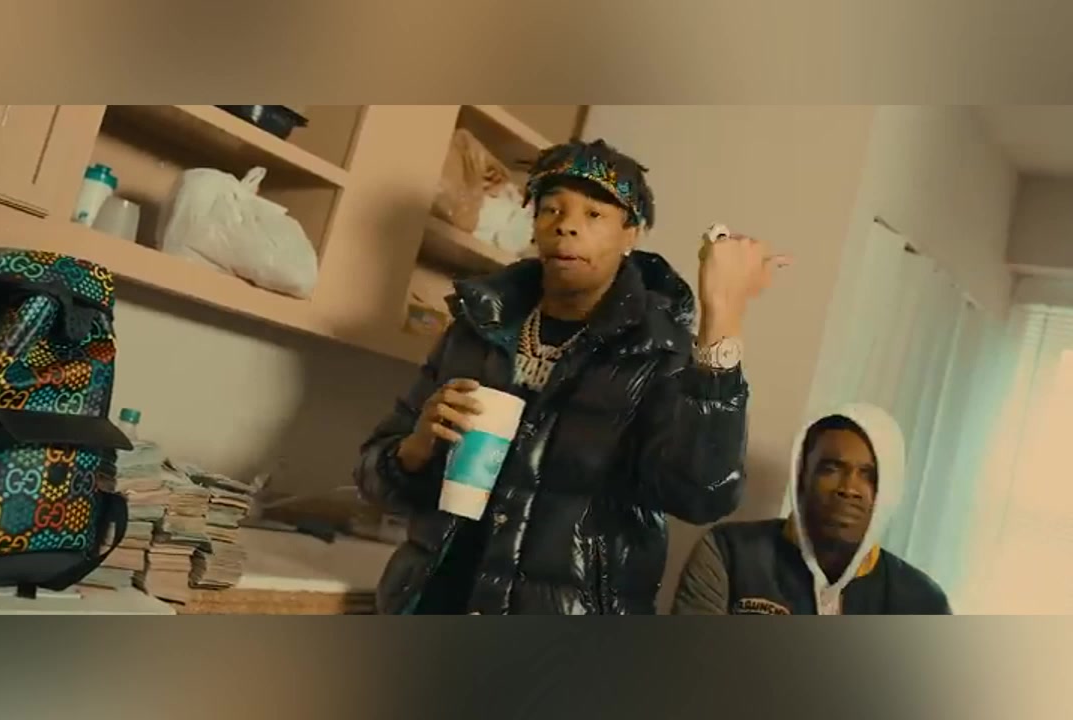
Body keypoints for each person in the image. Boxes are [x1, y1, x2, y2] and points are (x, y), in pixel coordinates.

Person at [356, 138, 785, 615]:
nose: (567, 226)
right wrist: (414, 450)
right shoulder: (477, 329)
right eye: (551, 210)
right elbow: (375, 480)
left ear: (631, 233)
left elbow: (703, 495)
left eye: (594, 214)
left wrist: (723, 315)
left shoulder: (659, 352)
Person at [671, 403, 952, 615]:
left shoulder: (922, 602)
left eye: (868, 475)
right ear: (802, 475)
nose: (849, 488)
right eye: (831, 468)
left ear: (889, 491)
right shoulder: (729, 553)